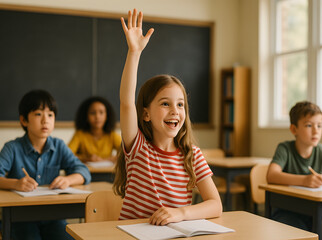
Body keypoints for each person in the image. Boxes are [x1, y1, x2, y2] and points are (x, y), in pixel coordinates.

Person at [113, 9, 222, 226]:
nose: (175, 111)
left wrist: (181, 213)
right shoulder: (138, 148)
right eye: (165, 104)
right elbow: (126, 103)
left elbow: (215, 205)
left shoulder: (192, 155)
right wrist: (134, 52)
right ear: (145, 114)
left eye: (180, 104)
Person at [0, 89, 91, 240]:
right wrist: (15, 184)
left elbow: (83, 171)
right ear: (24, 120)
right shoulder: (12, 148)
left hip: (53, 217)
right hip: (20, 218)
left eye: (50, 115)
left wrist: (68, 180)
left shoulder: (59, 145)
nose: (45, 120)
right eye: (38, 114)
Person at [267, 101, 322, 240]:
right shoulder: (285, 149)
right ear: (294, 129)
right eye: (309, 125)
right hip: (286, 212)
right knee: (306, 237)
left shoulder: (321, 151)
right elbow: (272, 175)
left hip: (313, 212)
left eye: (319, 126)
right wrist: (304, 180)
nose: (316, 131)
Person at [68, 96, 121, 163]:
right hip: (86, 171)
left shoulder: (112, 135)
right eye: (93, 113)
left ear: (107, 116)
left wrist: (105, 160)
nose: (97, 117)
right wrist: (86, 159)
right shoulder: (80, 134)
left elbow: (126, 153)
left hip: (107, 171)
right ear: (86, 116)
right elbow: (67, 154)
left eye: (101, 112)